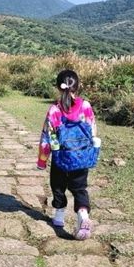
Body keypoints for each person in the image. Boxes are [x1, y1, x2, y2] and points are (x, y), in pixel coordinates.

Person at [36, 68, 99, 240]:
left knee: (58, 187)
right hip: (80, 158)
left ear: (58, 87)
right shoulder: (85, 106)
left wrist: (42, 160)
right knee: (79, 188)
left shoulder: (54, 110)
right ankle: (83, 215)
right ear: (77, 87)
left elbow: (46, 137)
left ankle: (58, 218)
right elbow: (92, 131)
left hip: (60, 158)